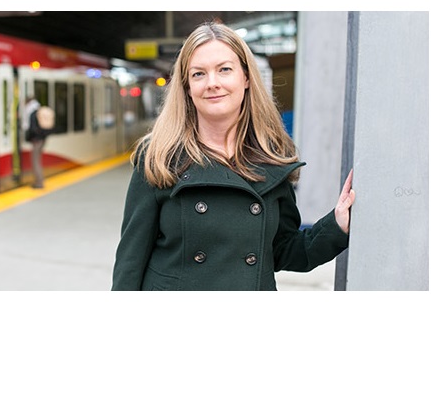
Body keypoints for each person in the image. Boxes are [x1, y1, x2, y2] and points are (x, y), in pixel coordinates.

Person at [112, 21, 356, 291]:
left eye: (225, 70)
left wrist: (336, 225)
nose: (212, 83)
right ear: (187, 87)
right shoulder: (159, 155)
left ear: (246, 77)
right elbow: (130, 261)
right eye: (198, 74)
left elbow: (283, 250)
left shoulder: (272, 154)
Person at [24, 95, 48, 189]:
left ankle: (39, 182)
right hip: (42, 139)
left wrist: (30, 138)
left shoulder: (32, 113)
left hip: (37, 140)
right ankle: (39, 180)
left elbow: (33, 129)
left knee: (35, 161)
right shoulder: (39, 109)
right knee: (38, 160)